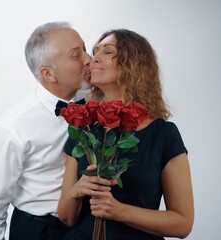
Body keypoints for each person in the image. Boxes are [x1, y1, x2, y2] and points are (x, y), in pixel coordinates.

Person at [57, 29, 194, 239]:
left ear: (133, 65)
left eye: (108, 51)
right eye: (95, 51)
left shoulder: (163, 134)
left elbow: (183, 224)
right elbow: (67, 218)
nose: (95, 58)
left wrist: (119, 211)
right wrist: (77, 191)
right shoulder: (83, 126)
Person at [0, 21, 91, 240]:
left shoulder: (94, 101)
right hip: (38, 230)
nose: (88, 59)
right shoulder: (13, 126)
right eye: (76, 55)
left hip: (84, 224)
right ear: (48, 74)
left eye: (86, 49)